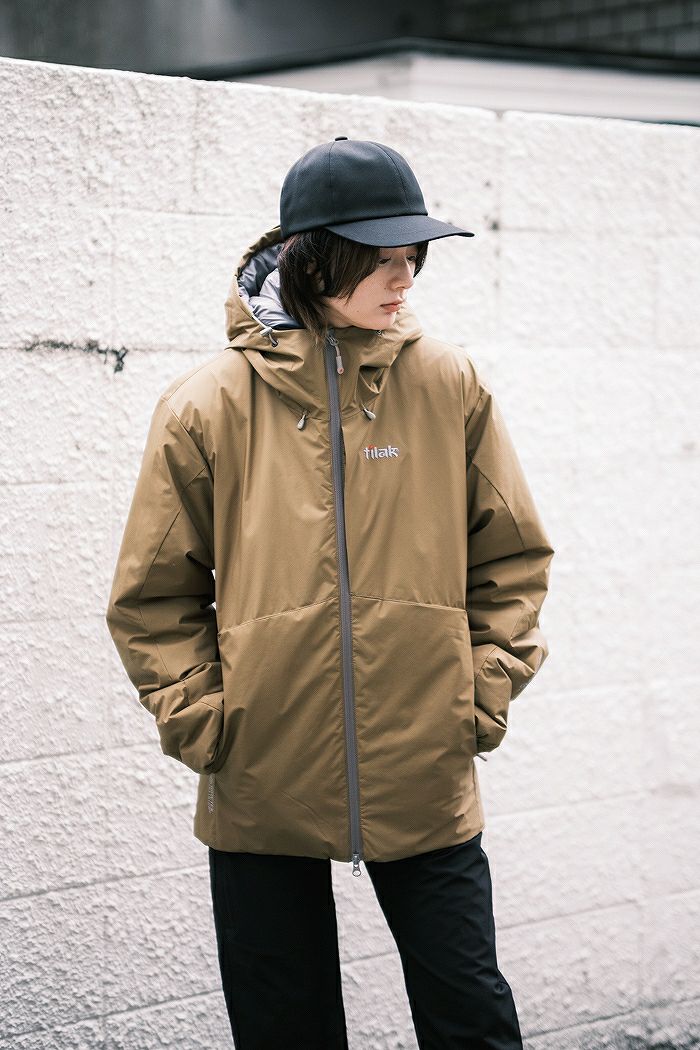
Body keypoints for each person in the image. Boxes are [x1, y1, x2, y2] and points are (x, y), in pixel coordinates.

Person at [105, 137, 555, 1050]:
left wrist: (477, 693)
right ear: (315, 259)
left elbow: (511, 559)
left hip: (425, 764)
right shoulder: (206, 404)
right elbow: (153, 596)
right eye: (383, 255)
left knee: (472, 1018)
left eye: (413, 254)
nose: (405, 276)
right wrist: (205, 722)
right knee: (285, 1028)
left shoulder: (448, 383)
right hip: (261, 772)